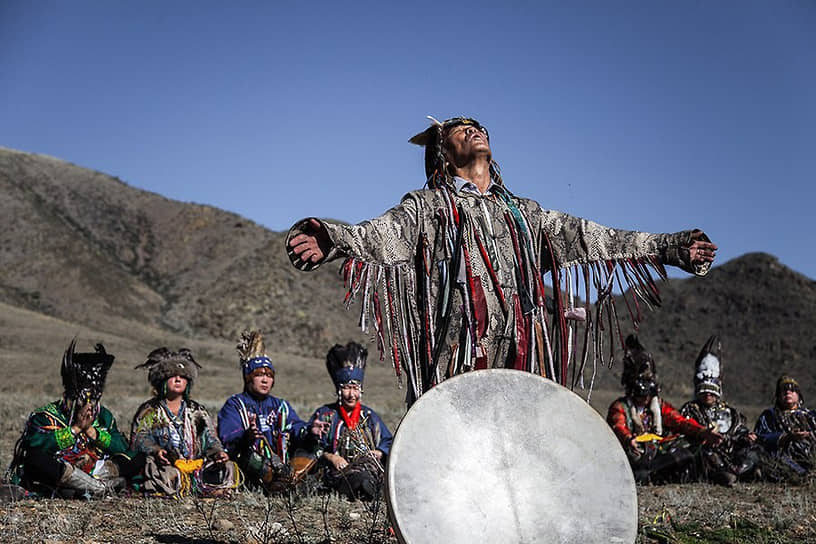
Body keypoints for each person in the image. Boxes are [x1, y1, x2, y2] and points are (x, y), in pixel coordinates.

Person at [287, 116, 718, 405]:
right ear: (442, 152)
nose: (474, 130)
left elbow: (597, 237)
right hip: (453, 359)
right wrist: (334, 239)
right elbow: (384, 233)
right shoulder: (428, 206)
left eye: (478, 126)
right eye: (460, 129)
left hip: (518, 355)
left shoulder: (525, 215)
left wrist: (672, 247)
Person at [6, 338, 145, 497]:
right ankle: (98, 488)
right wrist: (76, 429)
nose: (87, 404)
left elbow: (121, 447)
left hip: (98, 470)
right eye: (80, 399)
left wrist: (93, 432)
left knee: (138, 456)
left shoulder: (104, 416)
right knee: (34, 457)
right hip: (62, 472)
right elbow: (36, 444)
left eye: (93, 399)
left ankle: (94, 484)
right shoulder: (45, 415)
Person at [218, 330, 327, 493]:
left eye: (269, 375)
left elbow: (295, 427)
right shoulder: (236, 404)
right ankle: (277, 484)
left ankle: (290, 481)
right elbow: (228, 438)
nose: (265, 379)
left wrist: (310, 430)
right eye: (259, 375)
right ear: (248, 378)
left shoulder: (280, 406)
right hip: (250, 466)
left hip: (281, 466)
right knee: (249, 456)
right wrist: (247, 436)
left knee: (314, 448)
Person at [607, 335, 722, 484]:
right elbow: (618, 426)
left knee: (690, 445)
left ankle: (657, 472)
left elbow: (679, 421)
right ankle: (647, 474)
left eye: (649, 394)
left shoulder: (658, 406)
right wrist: (629, 439)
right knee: (635, 460)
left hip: (657, 450)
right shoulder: (620, 407)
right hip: (634, 451)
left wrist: (702, 431)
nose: (646, 399)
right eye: (642, 395)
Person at [131, 348, 240, 497]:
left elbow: (210, 438)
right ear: (162, 380)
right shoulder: (150, 410)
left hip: (196, 466)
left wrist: (218, 453)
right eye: (172, 376)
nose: (177, 379)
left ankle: (208, 488)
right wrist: (156, 450)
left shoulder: (197, 411)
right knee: (162, 472)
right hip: (167, 466)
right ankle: (198, 489)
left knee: (228, 467)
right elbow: (139, 437)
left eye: (182, 377)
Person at [310, 342, 393, 501]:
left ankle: (371, 487)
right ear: (338, 390)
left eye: (355, 388)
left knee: (371, 476)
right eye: (347, 388)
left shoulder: (369, 416)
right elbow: (312, 447)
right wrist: (332, 457)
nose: (351, 394)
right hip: (336, 476)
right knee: (361, 479)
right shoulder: (326, 414)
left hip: (370, 470)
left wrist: (380, 452)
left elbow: (388, 441)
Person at [679, 335, 763, 484]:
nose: (708, 395)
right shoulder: (689, 410)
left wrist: (746, 437)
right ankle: (723, 475)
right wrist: (703, 435)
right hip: (705, 452)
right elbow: (683, 432)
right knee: (703, 454)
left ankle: (742, 471)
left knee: (753, 450)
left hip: (729, 452)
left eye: (712, 392)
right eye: (704, 392)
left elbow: (739, 430)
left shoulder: (730, 412)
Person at [755, 375, 816, 476]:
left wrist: (810, 435)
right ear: (778, 396)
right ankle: (802, 474)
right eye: (783, 390)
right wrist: (787, 437)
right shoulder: (769, 415)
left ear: (799, 396)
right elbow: (760, 438)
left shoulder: (810, 415)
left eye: (792, 389)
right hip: (783, 456)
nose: (788, 392)